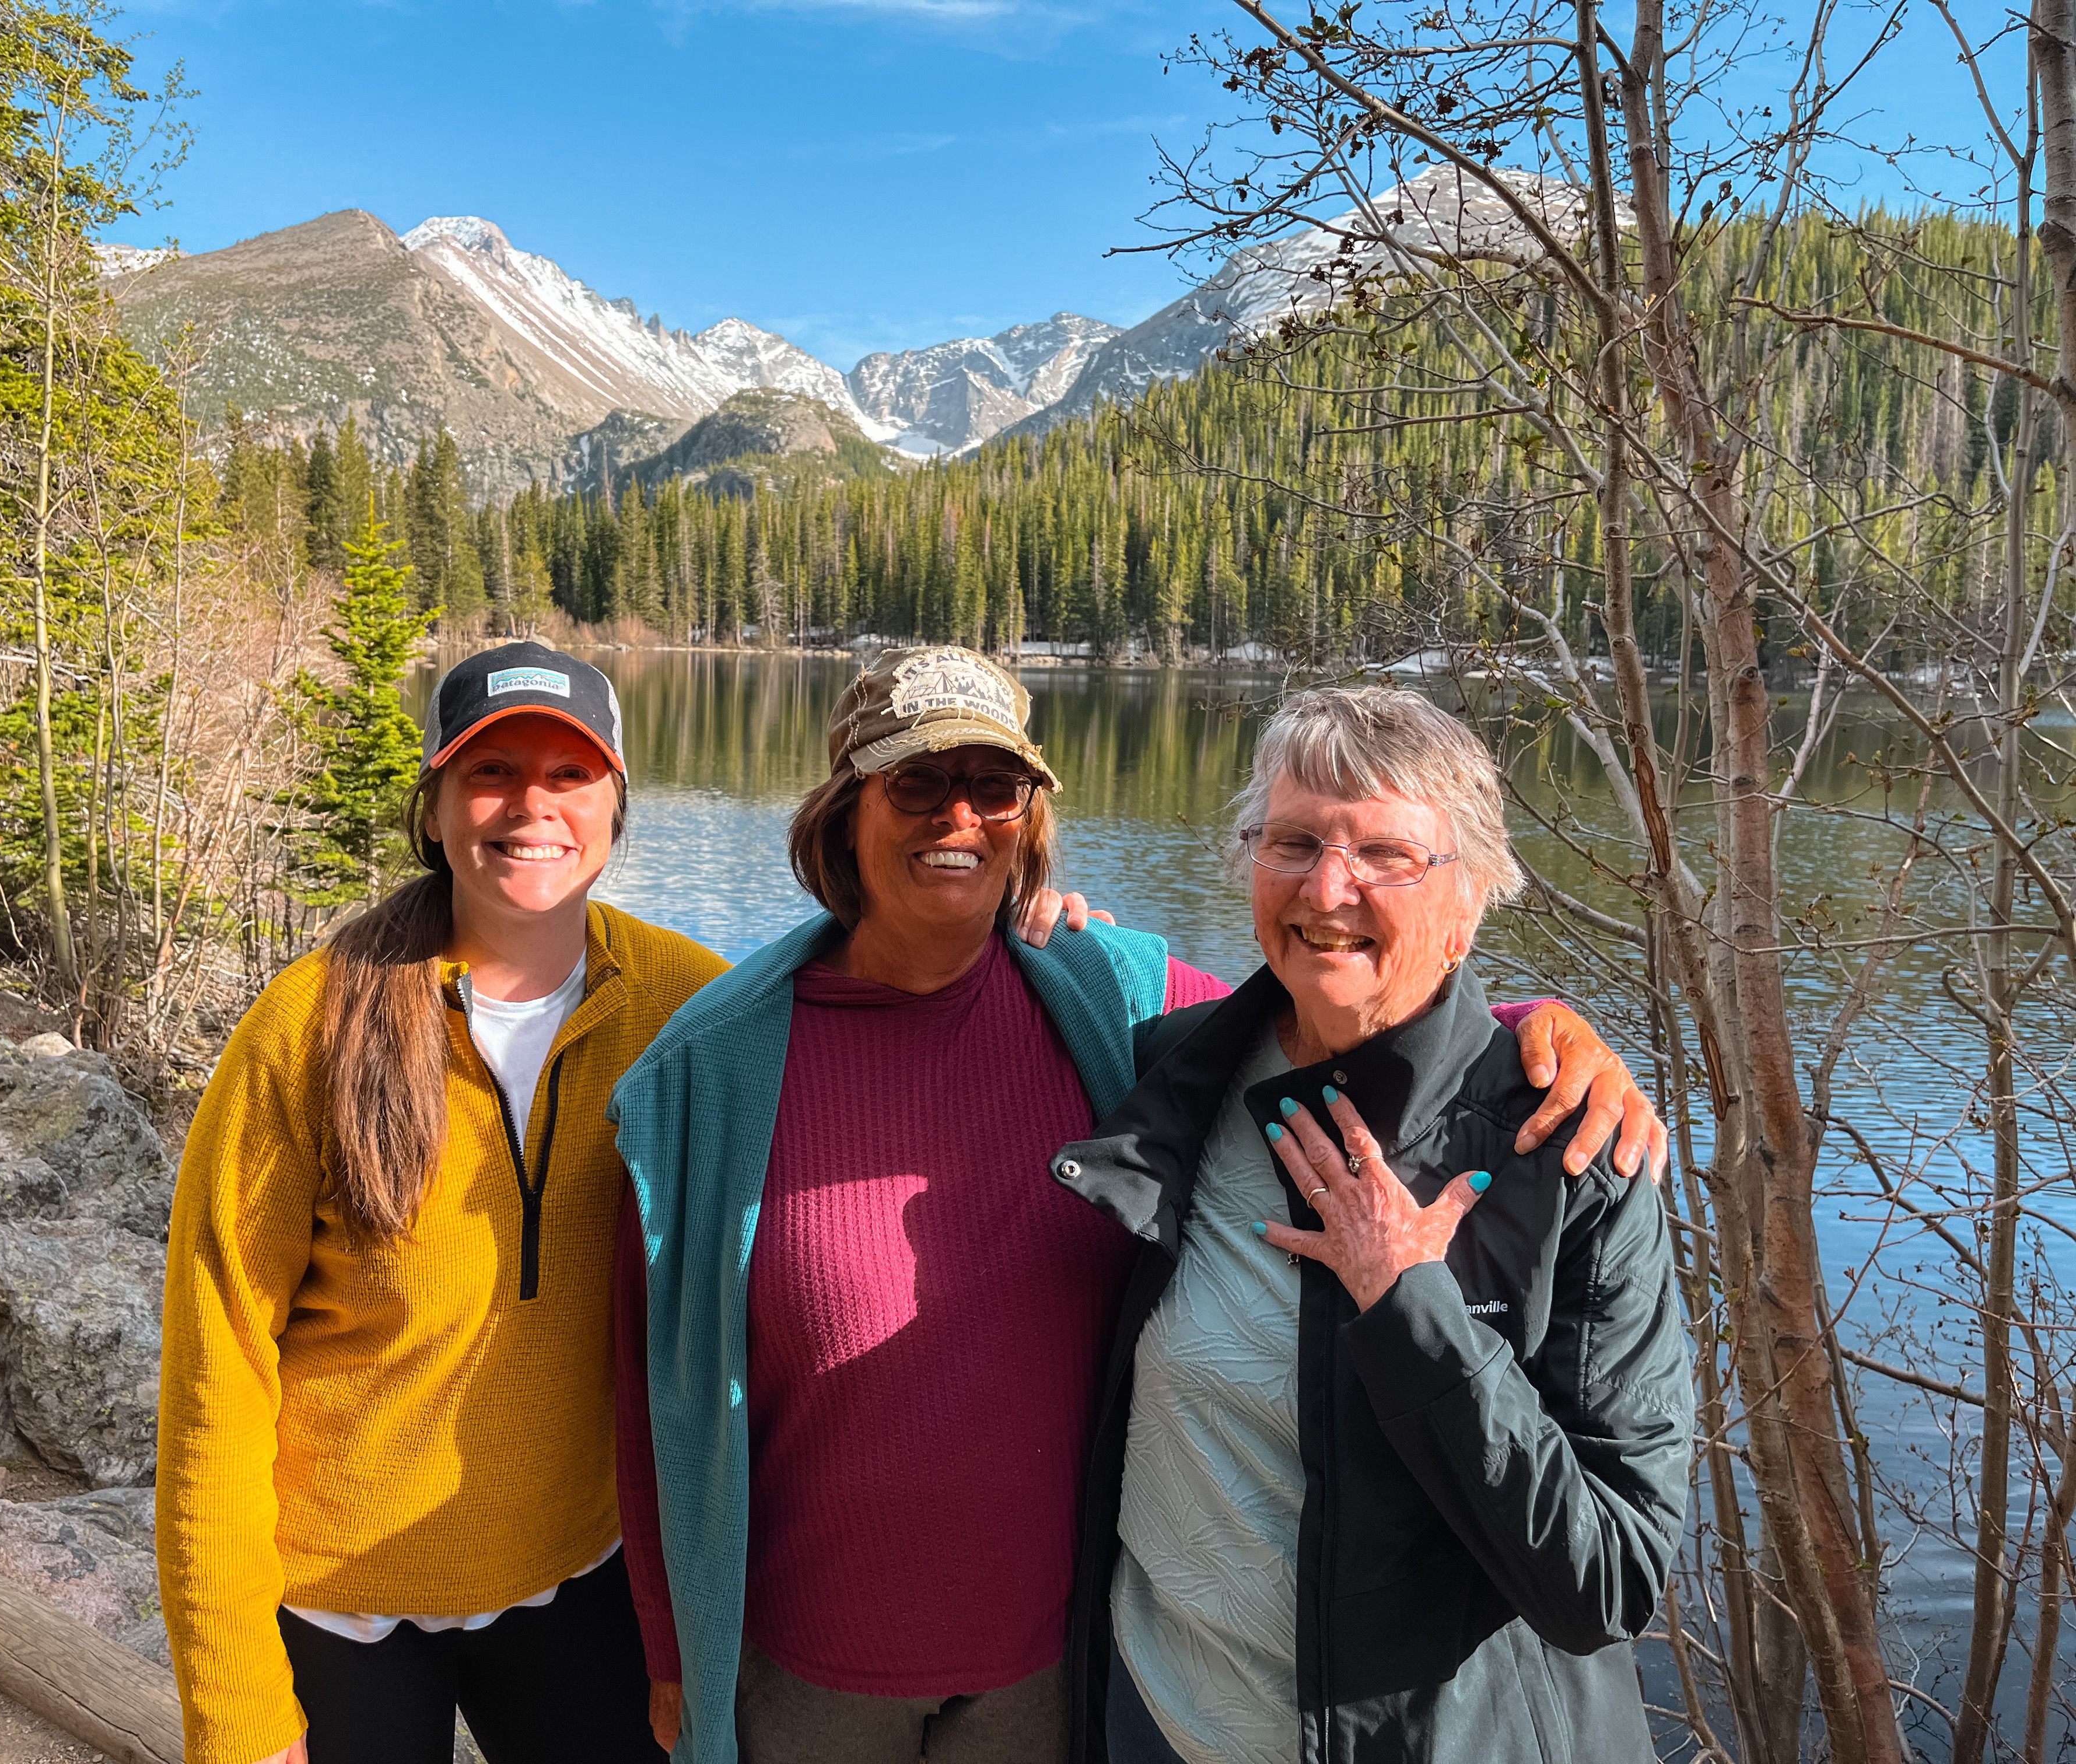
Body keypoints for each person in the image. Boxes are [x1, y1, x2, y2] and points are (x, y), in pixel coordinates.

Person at [609, 649, 1664, 1764]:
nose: (957, 815)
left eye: (995, 786)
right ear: (844, 812)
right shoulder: (723, 1068)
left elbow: (1361, 997)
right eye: (917, 784)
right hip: (901, 1679)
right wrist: (668, 1650)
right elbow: (652, 1386)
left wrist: (1535, 1030)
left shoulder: (1120, 1009)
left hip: (1068, 1676)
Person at [1054, 686, 1694, 1764]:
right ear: (1248, 862)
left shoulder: (1567, 1152)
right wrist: (1037, 919)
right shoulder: (1174, 1073)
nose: (1328, 887)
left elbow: (1609, 1582)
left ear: (1472, 899)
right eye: (1294, 841)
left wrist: (1410, 1304)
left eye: (1386, 854)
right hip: (1157, 1721)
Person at [156, 643, 729, 1764]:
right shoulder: (308, 1026)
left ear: (618, 806)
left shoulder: (692, 1005)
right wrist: (234, 1708)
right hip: (338, 1603)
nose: (532, 807)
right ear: (435, 808)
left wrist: (1037, 937)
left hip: (576, 1576)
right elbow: (216, 1373)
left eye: (571, 776)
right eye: (493, 772)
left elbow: (877, 1004)